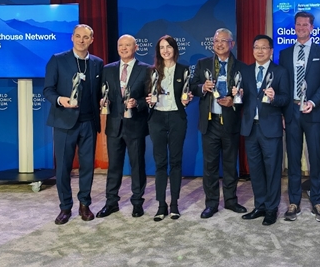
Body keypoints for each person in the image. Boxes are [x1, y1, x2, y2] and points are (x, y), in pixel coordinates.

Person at [44, 24, 103, 225]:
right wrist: (60, 100)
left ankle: (84, 204)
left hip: (89, 122)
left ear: (91, 40)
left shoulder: (97, 63)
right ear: (72, 38)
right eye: (78, 36)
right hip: (64, 121)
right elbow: (48, 90)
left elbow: (99, 91)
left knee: (87, 167)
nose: (81, 40)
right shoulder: (58, 60)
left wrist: (103, 100)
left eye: (85, 37)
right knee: (63, 168)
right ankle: (65, 207)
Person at [279, 12, 320, 222]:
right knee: (293, 159)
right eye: (298, 24)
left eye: (305, 25)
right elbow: (282, 85)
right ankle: (294, 202)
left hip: (313, 111)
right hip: (291, 111)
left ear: (312, 28)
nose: (301, 28)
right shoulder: (285, 54)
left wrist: (313, 101)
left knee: (315, 158)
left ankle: (317, 201)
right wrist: (283, 112)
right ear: (294, 27)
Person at [190, 28, 246, 218]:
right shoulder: (203, 63)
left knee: (230, 164)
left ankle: (231, 200)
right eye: (216, 41)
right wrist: (202, 87)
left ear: (232, 44)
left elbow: (246, 94)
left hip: (230, 122)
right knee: (210, 165)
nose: (219, 44)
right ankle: (211, 203)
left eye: (223, 41)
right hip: (210, 122)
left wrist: (234, 100)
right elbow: (192, 87)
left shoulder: (241, 67)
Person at [234, 35, 289, 226]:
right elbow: (242, 100)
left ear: (271, 51)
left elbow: (285, 99)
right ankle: (260, 205)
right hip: (250, 128)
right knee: (255, 171)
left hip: (271, 129)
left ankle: (272, 209)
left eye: (264, 47)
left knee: (272, 171)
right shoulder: (245, 71)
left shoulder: (280, 72)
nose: (260, 51)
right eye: (256, 47)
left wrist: (274, 97)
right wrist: (237, 95)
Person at [96, 35, 150, 218]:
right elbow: (102, 92)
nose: (124, 48)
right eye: (121, 45)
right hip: (114, 125)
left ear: (136, 48)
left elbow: (150, 98)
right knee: (114, 167)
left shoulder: (146, 70)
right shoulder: (108, 69)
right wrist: (102, 101)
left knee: (137, 166)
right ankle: (111, 202)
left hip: (135, 125)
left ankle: (137, 202)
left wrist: (138, 103)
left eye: (128, 45)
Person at [146, 35, 194, 221]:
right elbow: (145, 96)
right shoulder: (152, 71)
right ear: (158, 51)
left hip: (176, 118)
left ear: (175, 49)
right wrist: (148, 101)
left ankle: (174, 204)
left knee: (175, 161)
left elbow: (188, 93)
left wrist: (188, 99)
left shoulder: (184, 70)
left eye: (168, 47)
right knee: (160, 163)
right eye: (162, 47)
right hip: (157, 118)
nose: (165, 50)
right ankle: (161, 205)